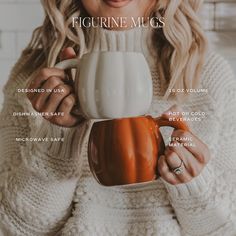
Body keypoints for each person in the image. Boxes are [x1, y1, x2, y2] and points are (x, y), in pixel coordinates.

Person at [0, 0, 236, 235]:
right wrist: (58, 142)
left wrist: (192, 185)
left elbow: (226, 229)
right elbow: (15, 228)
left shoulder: (211, 78)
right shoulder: (34, 80)